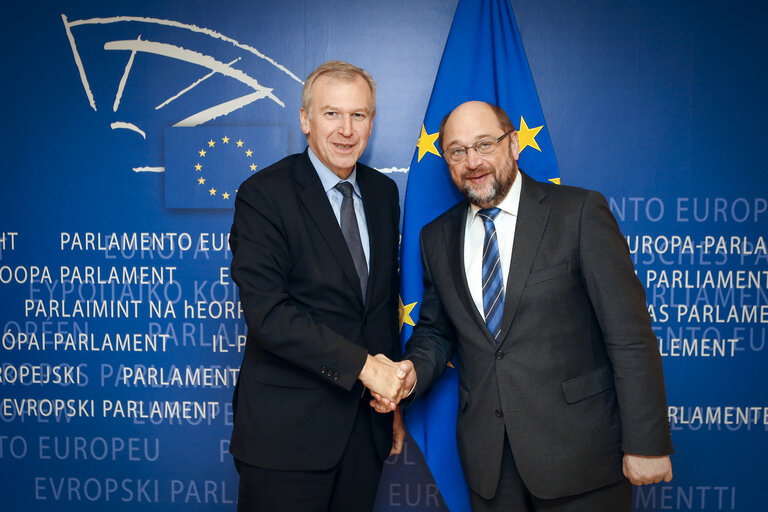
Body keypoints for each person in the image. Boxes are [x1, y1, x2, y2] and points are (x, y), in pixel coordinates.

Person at [374, 101, 673, 511]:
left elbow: (629, 335)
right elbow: (437, 332)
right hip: (490, 466)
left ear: (513, 144)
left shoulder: (579, 212)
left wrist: (647, 442)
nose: (472, 161)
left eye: (484, 144)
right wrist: (410, 371)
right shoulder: (436, 237)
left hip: (581, 457)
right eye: (457, 151)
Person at [229, 60, 405, 512]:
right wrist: (367, 369)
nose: (346, 130)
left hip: (365, 432)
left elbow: (378, 310)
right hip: (286, 438)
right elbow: (270, 316)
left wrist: (392, 402)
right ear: (305, 120)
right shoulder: (263, 194)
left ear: (370, 122)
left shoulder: (384, 194)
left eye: (359, 115)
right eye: (332, 114)